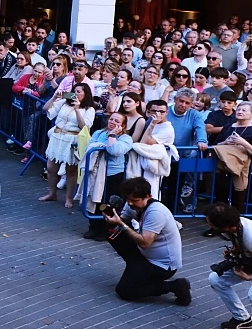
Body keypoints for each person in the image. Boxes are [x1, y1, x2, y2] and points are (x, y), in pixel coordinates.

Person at [101, 177, 190, 305]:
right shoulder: (131, 203)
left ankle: (176, 286)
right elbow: (123, 221)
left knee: (125, 291)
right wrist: (112, 218)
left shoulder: (156, 212)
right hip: (145, 255)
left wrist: (121, 224)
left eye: (134, 200)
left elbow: (145, 242)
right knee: (111, 232)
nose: (130, 203)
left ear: (148, 196)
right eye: (128, 200)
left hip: (162, 265)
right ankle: (135, 268)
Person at [39, 84, 97, 208]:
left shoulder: (89, 109)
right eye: (74, 91)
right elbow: (46, 109)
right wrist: (54, 97)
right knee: (51, 168)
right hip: (57, 137)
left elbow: (84, 127)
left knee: (71, 170)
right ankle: (52, 193)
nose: (75, 94)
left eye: (79, 92)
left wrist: (77, 109)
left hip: (73, 139)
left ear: (85, 94)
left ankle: (68, 198)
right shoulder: (64, 102)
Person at [83, 112, 133, 240]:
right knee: (94, 200)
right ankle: (93, 227)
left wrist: (112, 136)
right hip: (95, 173)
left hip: (113, 174)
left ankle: (105, 229)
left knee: (108, 203)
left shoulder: (126, 138)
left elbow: (114, 151)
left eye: (117, 121)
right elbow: (89, 147)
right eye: (111, 119)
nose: (113, 122)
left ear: (123, 125)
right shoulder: (98, 133)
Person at [205, 203, 252, 329]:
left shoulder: (250, 235)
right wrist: (234, 250)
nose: (209, 225)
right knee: (216, 279)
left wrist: (248, 277)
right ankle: (242, 318)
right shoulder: (233, 229)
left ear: (225, 226)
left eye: (210, 223)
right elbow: (239, 244)